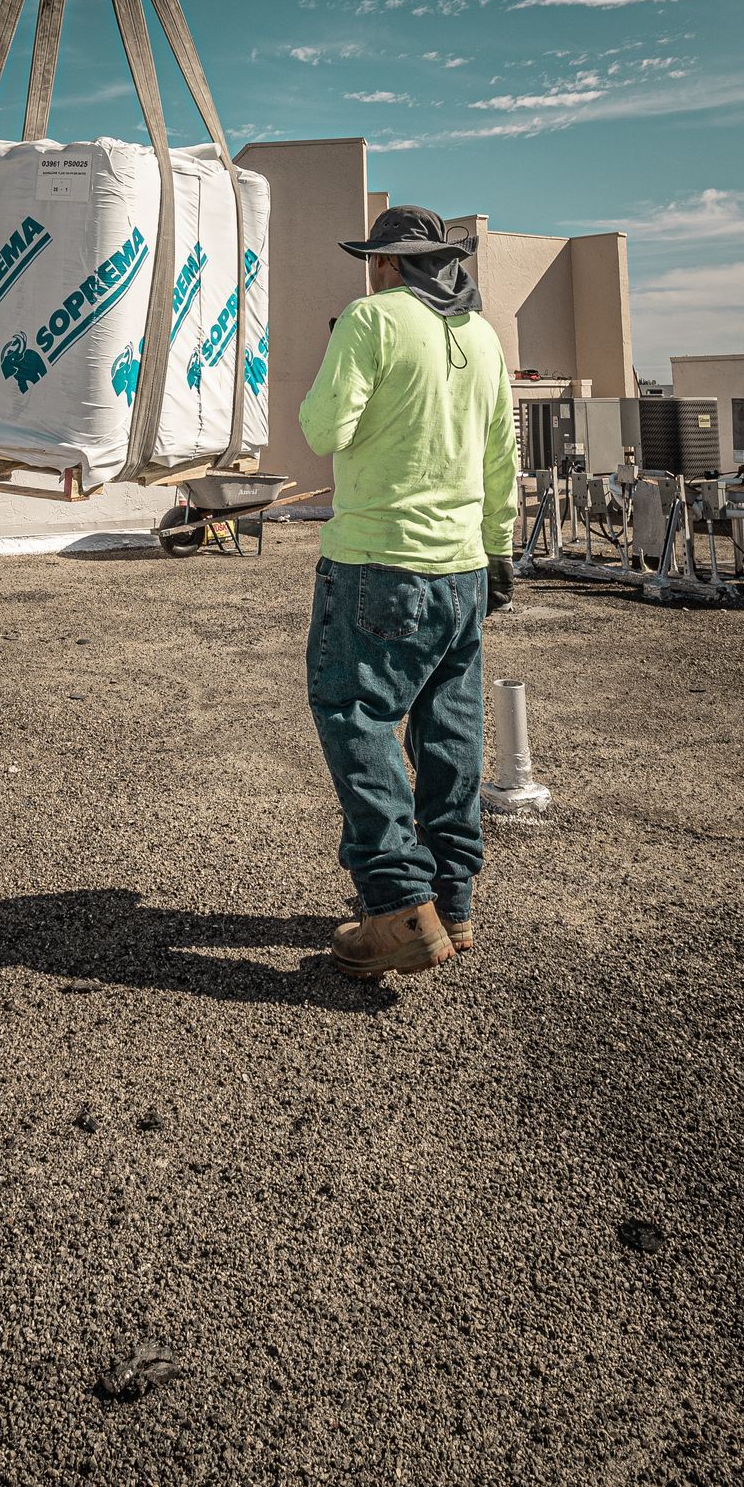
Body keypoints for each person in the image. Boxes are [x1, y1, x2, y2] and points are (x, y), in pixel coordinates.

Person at [297, 204, 519, 980]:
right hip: (463, 570)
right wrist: (499, 550)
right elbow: (501, 454)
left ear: (391, 264)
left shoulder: (370, 319)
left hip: (379, 563)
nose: (371, 271)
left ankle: (395, 905)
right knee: (449, 733)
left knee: (356, 715)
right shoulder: (483, 336)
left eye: (376, 261)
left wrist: (337, 362)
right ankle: (450, 904)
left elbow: (325, 429)